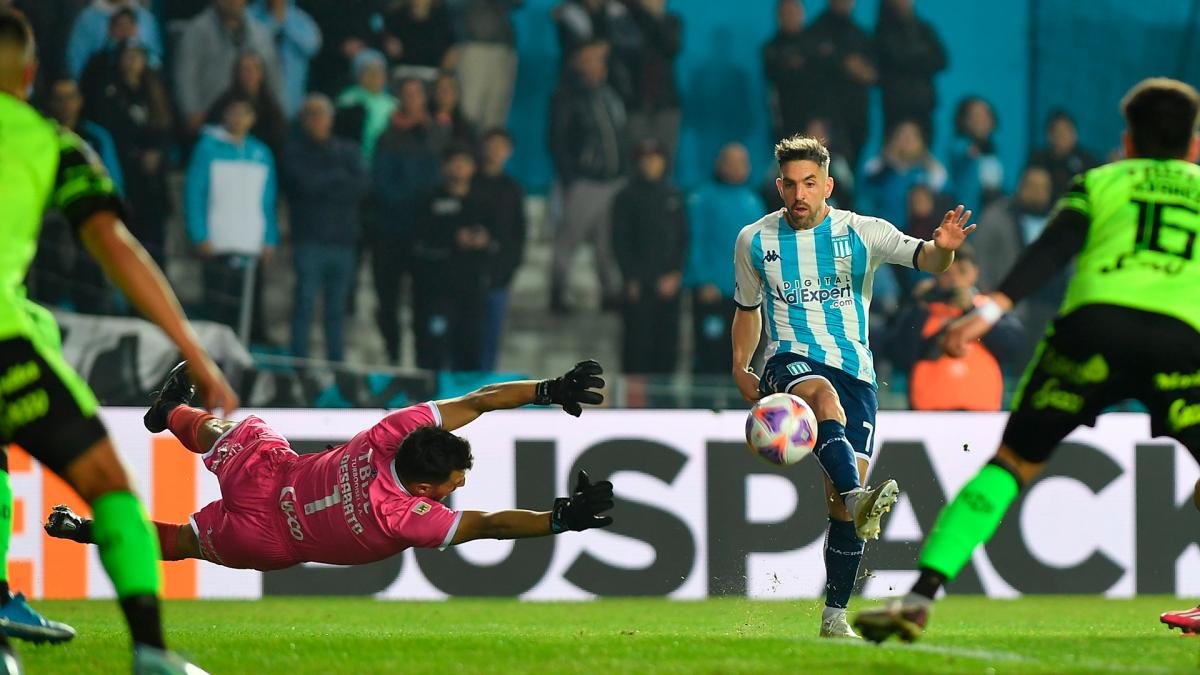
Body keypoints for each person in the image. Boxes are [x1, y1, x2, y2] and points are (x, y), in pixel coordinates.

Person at [852, 78, 1200, 644]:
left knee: (1011, 465)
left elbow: (1051, 251)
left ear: (1128, 141)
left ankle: (918, 599)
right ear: (1193, 146)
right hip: (1183, 341)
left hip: (1092, 331)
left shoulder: (1100, 181)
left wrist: (988, 312)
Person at [0, 9, 237, 672]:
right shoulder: (51, 140)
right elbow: (112, 242)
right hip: (5, 347)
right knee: (109, 488)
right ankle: (151, 653)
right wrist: (192, 350)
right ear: (30, 73)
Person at [732, 134, 976, 638]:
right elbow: (748, 308)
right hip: (790, 362)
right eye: (790, 185)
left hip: (858, 375)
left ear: (829, 185)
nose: (799, 195)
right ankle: (860, 495)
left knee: (839, 506)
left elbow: (926, 258)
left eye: (810, 184)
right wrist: (741, 363)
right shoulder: (755, 240)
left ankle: (834, 616)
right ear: (778, 186)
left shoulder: (863, 232)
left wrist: (945, 252)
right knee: (821, 398)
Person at [46, 360, 612, 573]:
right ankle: (85, 530)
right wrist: (560, 519)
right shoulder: (406, 517)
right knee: (181, 544)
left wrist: (547, 388)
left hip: (272, 479)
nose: (458, 486)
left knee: (239, 431)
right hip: (268, 542)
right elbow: (491, 524)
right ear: (420, 487)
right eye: (451, 482)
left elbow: (480, 399)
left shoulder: (387, 435)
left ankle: (171, 412)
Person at [883, 245, 1024, 410]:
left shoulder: (988, 309)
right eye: (947, 273)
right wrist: (919, 306)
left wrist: (971, 310)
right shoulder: (925, 309)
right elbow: (900, 356)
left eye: (962, 271)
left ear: (975, 273)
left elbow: (1012, 349)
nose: (955, 280)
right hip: (928, 415)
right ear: (936, 276)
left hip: (982, 415)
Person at [283, 93, 368, 362]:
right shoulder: (294, 152)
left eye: (322, 113)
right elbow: (305, 184)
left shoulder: (349, 150)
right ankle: (300, 365)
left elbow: (363, 186)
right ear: (303, 120)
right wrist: (338, 178)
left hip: (343, 241)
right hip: (310, 240)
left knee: (337, 310)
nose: (318, 120)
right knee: (304, 305)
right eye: (311, 114)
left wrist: (325, 182)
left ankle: (336, 365)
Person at [185, 96, 279, 332]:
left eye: (244, 113)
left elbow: (267, 199)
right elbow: (195, 193)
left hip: (251, 243)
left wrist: (269, 238)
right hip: (217, 242)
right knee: (217, 307)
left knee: (247, 310)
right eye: (233, 112)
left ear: (252, 119)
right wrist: (199, 234)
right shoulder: (207, 149)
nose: (238, 119)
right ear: (224, 116)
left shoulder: (261, 152)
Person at [548, 39, 626, 314]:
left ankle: (612, 293)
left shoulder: (608, 93)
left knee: (608, 242)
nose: (599, 65)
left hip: (614, 179)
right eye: (592, 59)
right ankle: (557, 291)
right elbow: (558, 139)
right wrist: (571, 177)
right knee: (568, 238)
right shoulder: (568, 95)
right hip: (586, 180)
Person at [81, 39, 174, 268]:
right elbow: (112, 133)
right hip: (126, 180)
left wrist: (157, 155)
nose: (133, 62)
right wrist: (137, 156)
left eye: (138, 56)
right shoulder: (110, 93)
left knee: (155, 246)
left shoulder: (154, 93)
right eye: (128, 55)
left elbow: (166, 132)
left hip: (153, 187)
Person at [369, 77, 441, 365]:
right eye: (406, 94)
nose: (412, 99)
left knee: (424, 301)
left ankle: (424, 359)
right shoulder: (387, 137)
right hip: (390, 231)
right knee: (388, 300)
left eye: (417, 93)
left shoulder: (436, 134)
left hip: (424, 234)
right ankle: (393, 354)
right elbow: (381, 185)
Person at [410, 143, 491, 371]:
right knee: (434, 348)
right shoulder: (430, 200)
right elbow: (419, 240)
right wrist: (452, 238)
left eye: (464, 164)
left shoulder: (482, 201)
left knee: (469, 348)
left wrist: (484, 240)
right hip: (438, 290)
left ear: (473, 169)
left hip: (472, 288)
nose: (459, 169)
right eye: (454, 163)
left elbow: (502, 238)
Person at [685, 143, 764, 375]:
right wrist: (702, 279)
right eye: (732, 161)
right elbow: (694, 241)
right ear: (720, 164)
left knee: (745, 356)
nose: (738, 167)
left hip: (746, 296)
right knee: (711, 353)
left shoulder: (754, 201)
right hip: (713, 292)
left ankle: (739, 407)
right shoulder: (701, 198)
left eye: (742, 162)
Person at [967, 165, 1059, 362]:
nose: (1037, 192)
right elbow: (979, 258)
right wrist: (988, 299)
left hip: (1049, 307)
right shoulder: (997, 216)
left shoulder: (1058, 220)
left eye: (1043, 187)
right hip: (1006, 308)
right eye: (1032, 185)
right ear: (1020, 186)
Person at [611, 138, 687, 375]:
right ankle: (634, 408)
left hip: (669, 286)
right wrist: (630, 278)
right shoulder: (626, 197)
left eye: (654, 159)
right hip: (638, 287)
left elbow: (683, 238)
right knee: (636, 350)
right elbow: (619, 241)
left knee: (666, 350)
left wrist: (675, 273)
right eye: (644, 159)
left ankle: (663, 408)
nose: (649, 164)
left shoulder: (673, 195)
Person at [174, 0, 281, 138]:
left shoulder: (260, 33)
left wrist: (277, 109)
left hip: (255, 117)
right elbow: (185, 76)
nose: (233, 2)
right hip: (209, 115)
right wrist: (190, 111)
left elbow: (273, 73)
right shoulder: (196, 31)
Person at [473, 128, 527, 371]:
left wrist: (507, 269)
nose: (495, 152)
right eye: (491, 145)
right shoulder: (469, 184)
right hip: (464, 276)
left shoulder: (512, 190)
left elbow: (518, 236)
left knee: (489, 340)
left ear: (509, 152)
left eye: (501, 146)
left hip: (498, 276)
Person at [805, 0, 874, 168]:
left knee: (849, 173)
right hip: (826, 117)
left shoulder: (860, 33)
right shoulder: (815, 32)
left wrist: (862, 71)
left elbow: (873, 74)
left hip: (856, 115)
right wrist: (845, 63)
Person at [619, 0, 682, 166]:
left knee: (665, 158)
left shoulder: (672, 21)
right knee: (634, 158)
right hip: (635, 102)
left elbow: (671, 47)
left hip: (665, 103)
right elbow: (628, 54)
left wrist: (653, 17)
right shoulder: (627, 21)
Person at [873, 0, 946, 142]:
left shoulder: (924, 28)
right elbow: (896, 58)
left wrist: (910, 57)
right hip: (897, 105)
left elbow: (942, 60)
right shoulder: (883, 31)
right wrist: (921, 55)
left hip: (924, 105)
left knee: (924, 149)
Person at [861, 119, 948, 228]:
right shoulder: (877, 169)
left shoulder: (933, 172)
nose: (907, 140)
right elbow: (863, 200)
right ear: (891, 140)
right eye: (901, 135)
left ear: (922, 142)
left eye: (913, 136)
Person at [205, 49, 288, 160]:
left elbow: (279, 142)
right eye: (245, 69)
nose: (250, 73)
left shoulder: (272, 108)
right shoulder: (223, 104)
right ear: (237, 73)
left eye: (255, 68)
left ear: (262, 73)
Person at [455, 0, 522, 131]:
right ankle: (466, 148)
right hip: (474, 45)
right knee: (469, 110)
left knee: (496, 112)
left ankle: (489, 149)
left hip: (504, 49)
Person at [248, 0, 321, 118]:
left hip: (292, 95)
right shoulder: (251, 14)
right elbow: (245, 45)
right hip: (258, 92)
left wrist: (285, 23)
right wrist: (273, 22)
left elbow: (312, 47)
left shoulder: (299, 18)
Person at [65, 0, 162, 78]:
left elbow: (155, 59)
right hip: (100, 85)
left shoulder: (145, 18)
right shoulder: (87, 18)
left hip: (141, 88)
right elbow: (76, 61)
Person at [762, 0, 814, 141]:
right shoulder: (771, 49)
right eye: (786, 13)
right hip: (785, 121)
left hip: (816, 121)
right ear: (778, 17)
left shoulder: (815, 45)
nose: (791, 17)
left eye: (794, 12)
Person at [335, 48, 395, 165]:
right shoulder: (347, 99)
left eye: (379, 71)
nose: (375, 76)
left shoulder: (392, 103)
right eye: (369, 72)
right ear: (359, 74)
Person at [1026, 109, 1100, 199]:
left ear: (1075, 134)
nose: (1063, 136)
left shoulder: (1087, 159)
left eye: (1067, 131)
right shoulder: (1039, 160)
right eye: (1059, 132)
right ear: (1049, 135)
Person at [948, 96, 1004, 212]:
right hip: (968, 217)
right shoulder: (959, 147)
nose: (981, 120)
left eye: (986, 115)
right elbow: (962, 154)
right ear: (963, 120)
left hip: (993, 216)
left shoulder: (995, 152)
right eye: (975, 116)